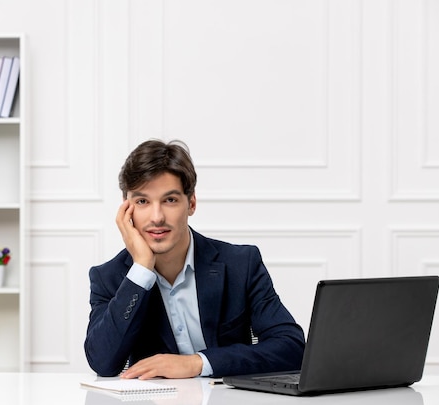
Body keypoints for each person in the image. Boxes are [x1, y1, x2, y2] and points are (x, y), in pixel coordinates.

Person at [84, 139, 305, 379]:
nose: (157, 217)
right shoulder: (110, 277)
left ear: (191, 203)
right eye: (142, 201)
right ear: (127, 210)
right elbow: (103, 363)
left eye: (170, 200)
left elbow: (291, 347)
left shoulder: (241, 264)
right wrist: (141, 270)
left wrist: (198, 363)